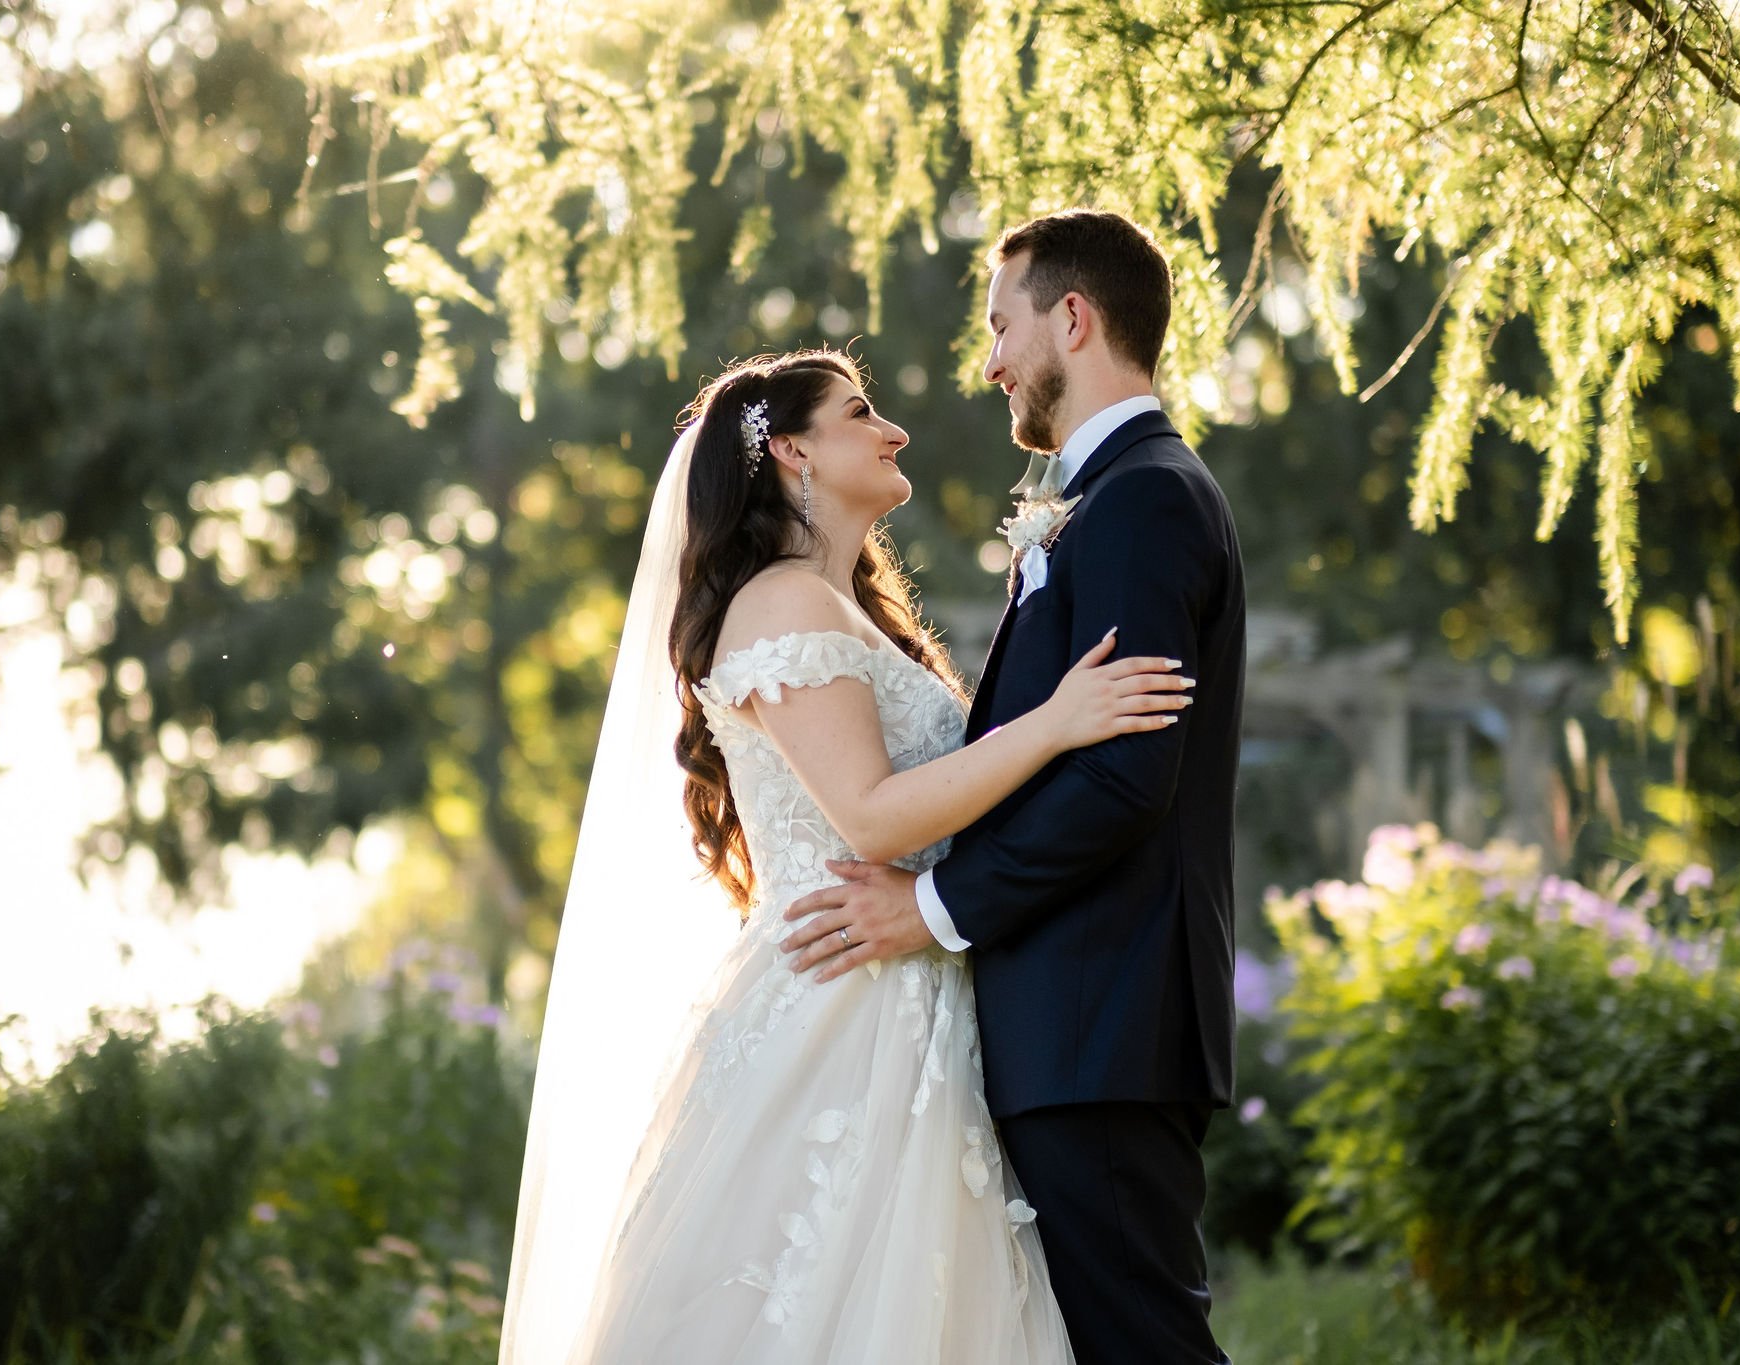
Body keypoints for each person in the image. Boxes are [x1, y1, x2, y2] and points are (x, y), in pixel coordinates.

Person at [498, 347, 1199, 1364]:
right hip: (839, 1010)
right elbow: (872, 819)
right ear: (791, 452)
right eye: (858, 411)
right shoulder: (780, 603)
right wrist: (1054, 725)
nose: (894, 430)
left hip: (903, 996)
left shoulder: (850, 614)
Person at [781, 210, 1246, 1365]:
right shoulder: (1109, 498)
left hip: (1102, 1019)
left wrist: (927, 912)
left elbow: (1124, 781)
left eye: (1000, 326)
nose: (988, 360)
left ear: (1072, 320)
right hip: (1075, 1023)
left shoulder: (1142, 498)